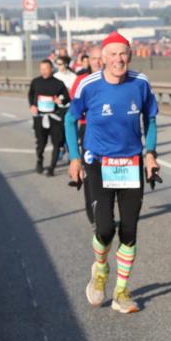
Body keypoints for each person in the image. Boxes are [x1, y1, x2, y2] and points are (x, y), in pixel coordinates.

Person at [66, 32, 160, 314]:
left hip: (131, 163)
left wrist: (151, 152)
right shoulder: (89, 85)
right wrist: (74, 158)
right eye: (113, 54)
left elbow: (151, 118)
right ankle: (101, 270)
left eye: (124, 53)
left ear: (130, 55)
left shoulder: (140, 83)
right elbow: (71, 120)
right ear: (103, 58)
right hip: (98, 162)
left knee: (129, 230)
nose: (119, 59)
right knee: (105, 228)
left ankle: (121, 291)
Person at [70, 46, 103, 226]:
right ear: (88, 61)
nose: (97, 63)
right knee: (90, 172)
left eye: (100, 59)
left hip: (108, 132)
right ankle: (94, 214)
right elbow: (73, 110)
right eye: (93, 59)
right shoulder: (81, 81)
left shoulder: (114, 79)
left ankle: (105, 210)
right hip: (86, 128)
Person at [28, 59, 70, 177]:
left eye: (46, 69)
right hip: (40, 117)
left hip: (55, 117)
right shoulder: (36, 82)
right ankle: (39, 161)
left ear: (51, 69)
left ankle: (52, 167)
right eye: (41, 69)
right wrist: (32, 105)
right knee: (41, 143)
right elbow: (30, 94)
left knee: (57, 144)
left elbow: (67, 98)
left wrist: (60, 100)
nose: (44, 71)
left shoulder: (59, 83)